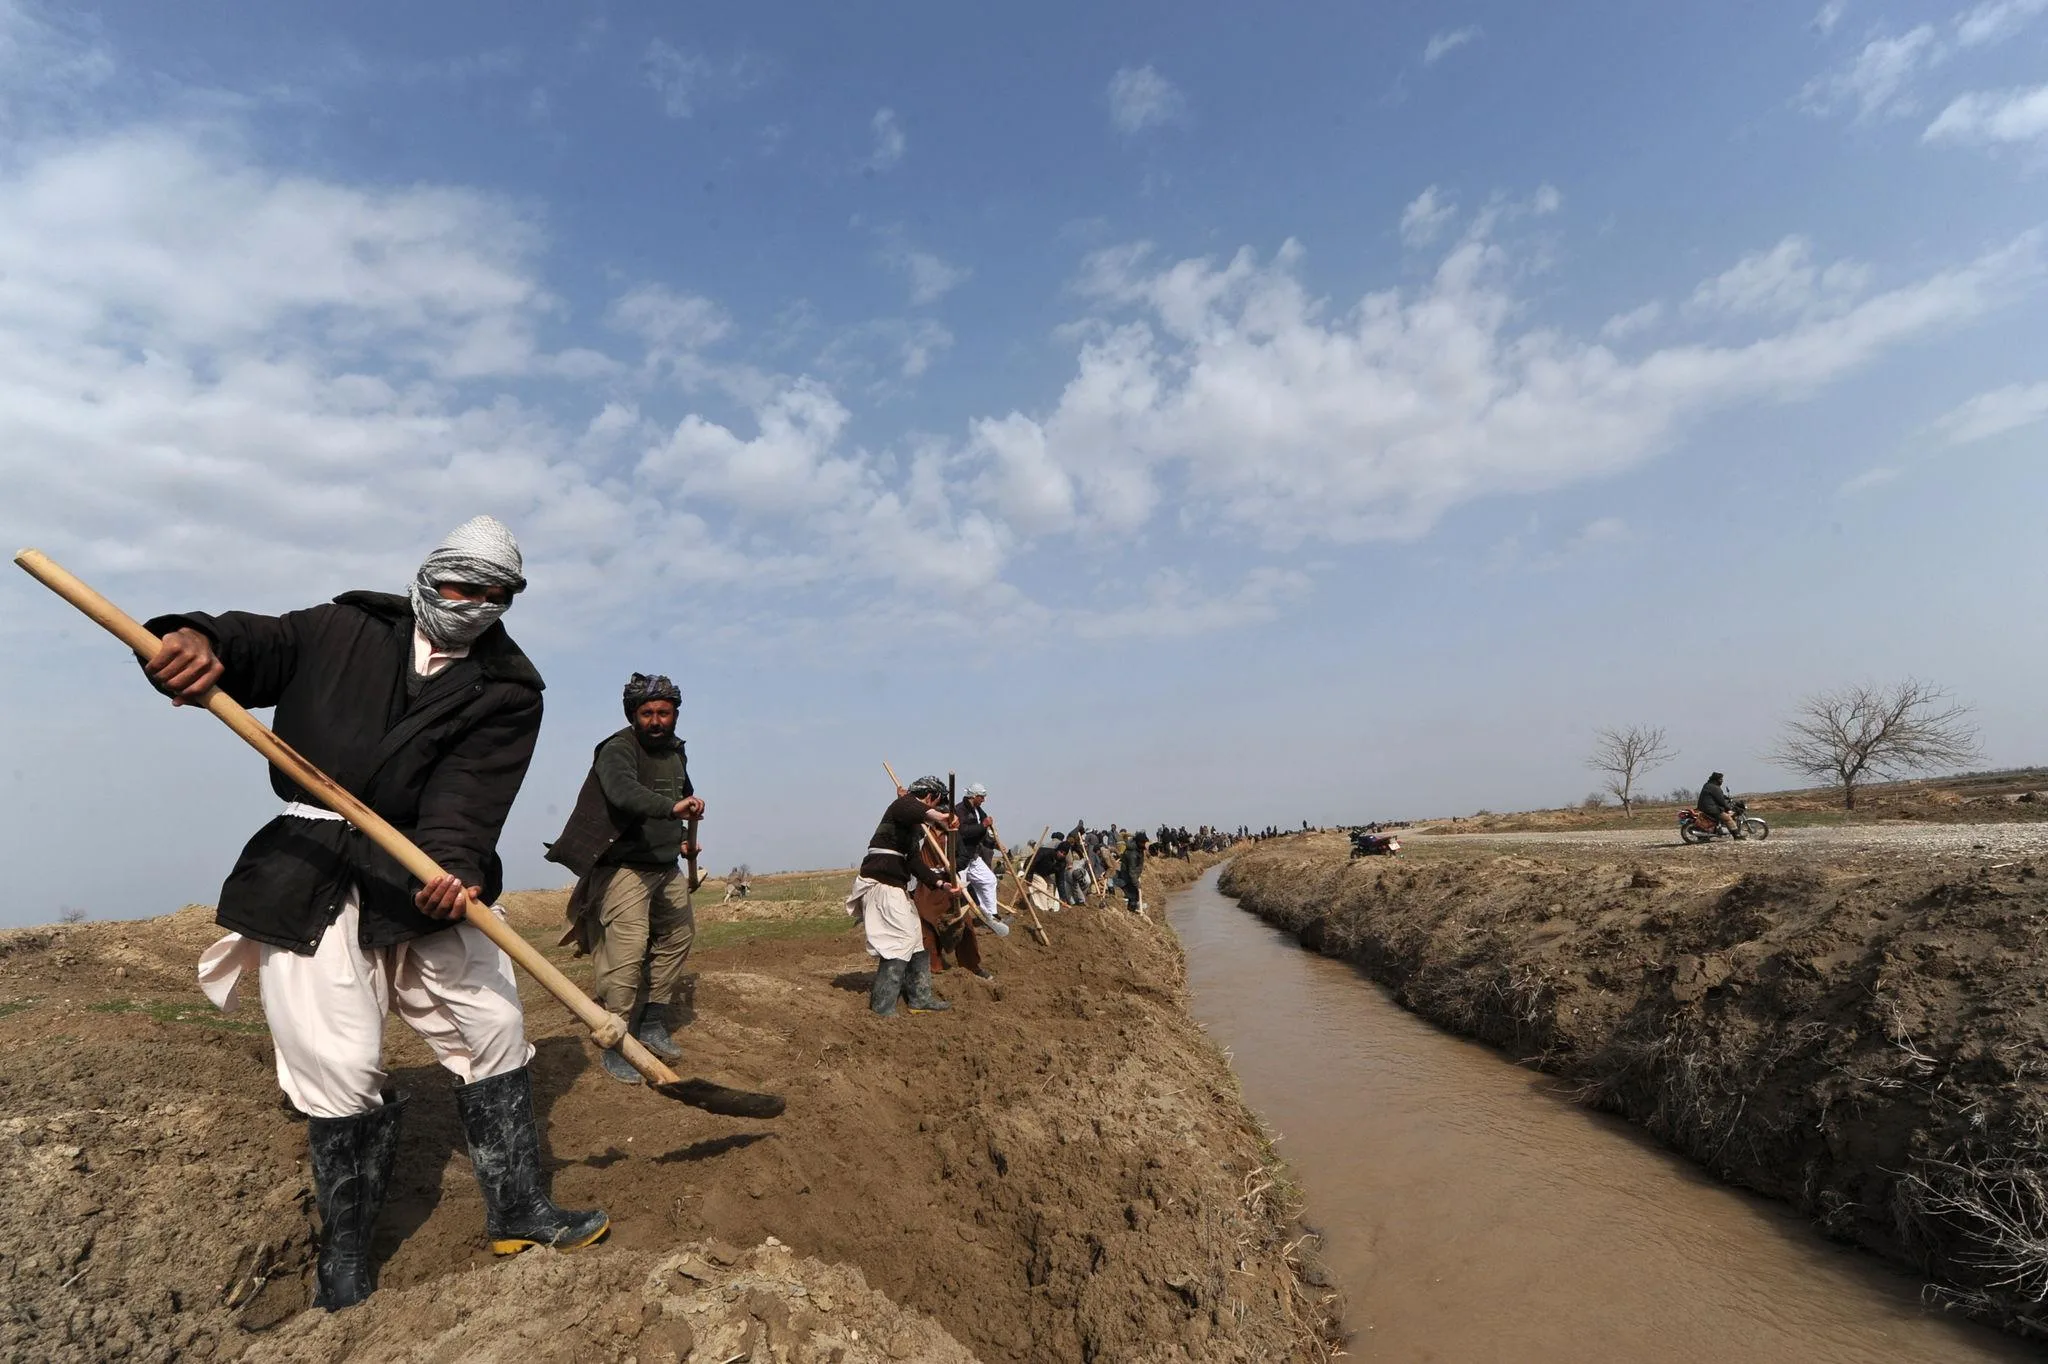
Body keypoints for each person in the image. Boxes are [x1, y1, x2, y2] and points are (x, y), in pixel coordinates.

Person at [148, 516, 606, 1312]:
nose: (474, 604)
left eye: (495, 595)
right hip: (309, 865)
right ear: (430, 576)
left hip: (421, 871)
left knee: (492, 1021)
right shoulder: (342, 628)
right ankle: (347, 1256)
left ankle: (521, 1211)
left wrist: (455, 867)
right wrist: (194, 640)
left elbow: (470, 796)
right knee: (337, 1059)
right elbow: (254, 646)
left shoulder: (508, 689)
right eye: (462, 585)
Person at [547, 673, 703, 1084]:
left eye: (663, 713)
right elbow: (625, 794)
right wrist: (673, 810)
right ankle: (617, 1040)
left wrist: (683, 838)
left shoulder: (675, 752)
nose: (656, 721)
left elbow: (678, 797)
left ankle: (652, 1021)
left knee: (678, 937)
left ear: (675, 714)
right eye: (647, 713)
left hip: (663, 864)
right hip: (624, 867)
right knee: (627, 952)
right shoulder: (617, 749)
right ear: (633, 715)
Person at [846, 775, 958, 1015]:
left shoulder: (910, 827)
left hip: (895, 888)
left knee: (915, 940)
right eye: (936, 804)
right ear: (931, 797)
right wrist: (940, 817)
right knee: (898, 942)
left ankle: (920, 996)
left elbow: (915, 863)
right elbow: (909, 805)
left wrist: (941, 884)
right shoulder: (901, 807)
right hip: (882, 887)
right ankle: (883, 1007)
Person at [954, 783, 1009, 938]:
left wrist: (995, 844)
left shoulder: (978, 811)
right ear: (974, 796)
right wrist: (982, 825)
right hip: (960, 857)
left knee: (989, 880)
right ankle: (959, 922)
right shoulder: (959, 811)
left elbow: (984, 834)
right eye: (982, 797)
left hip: (973, 856)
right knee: (960, 891)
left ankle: (991, 917)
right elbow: (962, 832)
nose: (984, 800)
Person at [1698, 772, 1743, 839]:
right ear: (1716, 779)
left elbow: (1718, 795)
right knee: (1727, 818)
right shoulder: (1715, 787)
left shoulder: (1708, 785)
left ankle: (1718, 829)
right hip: (1710, 808)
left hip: (1704, 807)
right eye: (1721, 779)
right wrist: (1728, 808)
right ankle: (1737, 836)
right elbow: (1721, 801)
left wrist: (1726, 798)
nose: (1722, 781)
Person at [1118, 831, 1149, 913]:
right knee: (1133, 895)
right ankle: (1131, 911)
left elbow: (1138, 864)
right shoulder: (1133, 854)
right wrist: (1136, 883)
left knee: (1135, 894)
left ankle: (1133, 908)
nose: (1145, 844)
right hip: (1128, 876)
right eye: (1144, 843)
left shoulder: (1138, 848)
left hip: (1133, 875)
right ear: (1139, 842)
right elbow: (1131, 871)